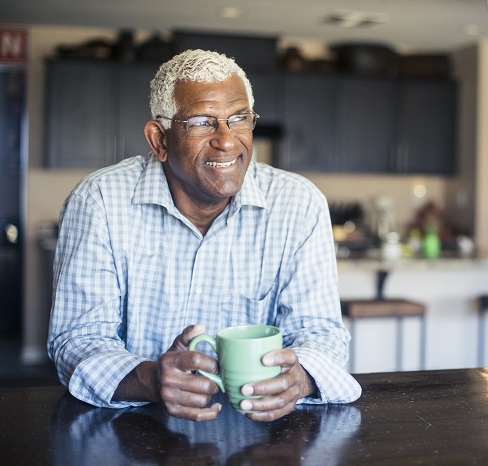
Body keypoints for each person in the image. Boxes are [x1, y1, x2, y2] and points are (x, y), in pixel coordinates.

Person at [47, 49, 361, 422]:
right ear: (159, 140)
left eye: (239, 118)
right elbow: (77, 341)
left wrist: (303, 377)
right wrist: (151, 380)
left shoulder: (299, 203)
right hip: (133, 431)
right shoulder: (98, 202)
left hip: (260, 434)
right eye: (201, 122)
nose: (227, 141)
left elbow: (321, 332)